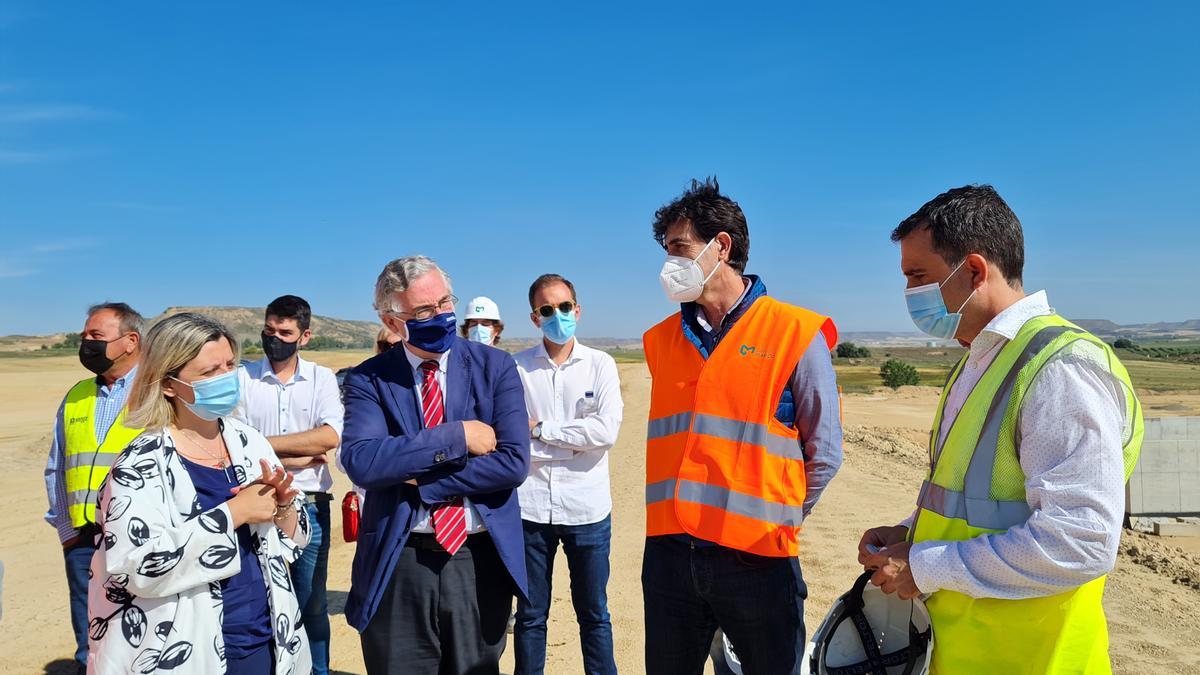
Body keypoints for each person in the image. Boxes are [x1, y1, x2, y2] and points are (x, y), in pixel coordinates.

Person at [857, 185, 1143, 674]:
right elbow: (977, 500)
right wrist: (909, 533)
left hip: (1032, 658)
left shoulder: (1059, 369)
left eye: (917, 276)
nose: (908, 294)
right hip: (966, 649)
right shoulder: (980, 361)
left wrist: (923, 565)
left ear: (973, 270)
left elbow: (1081, 542)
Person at [641, 178, 842, 675]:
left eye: (679, 248)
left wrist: (778, 517)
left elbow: (825, 451)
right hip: (670, 555)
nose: (670, 263)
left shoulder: (794, 332)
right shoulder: (660, 340)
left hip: (757, 557)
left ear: (721, 246)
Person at [87, 312, 311, 674]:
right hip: (185, 650)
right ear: (169, 384)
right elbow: (135, 567)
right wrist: (234, 513)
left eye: (229, 365)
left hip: (266, 639)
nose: (226, 378)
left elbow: (288, 541)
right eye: (209, 373)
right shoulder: (140, 463)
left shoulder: (248, 441)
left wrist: (283, 507)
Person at [340, 255, 531, 675]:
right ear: (393, 323)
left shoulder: (495, 367)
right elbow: (363, 462)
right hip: (400, 558)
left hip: (478, 559)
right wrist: (457, 436)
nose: (442, 316)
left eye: (446, 303)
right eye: (425, 311)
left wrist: (417, 478)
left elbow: (513, 463)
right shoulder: (368, 379)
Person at [512, 274, 623, 675]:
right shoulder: (517, 369)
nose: (556, 315)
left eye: (563, 307)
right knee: (530, 615)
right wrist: (573, 441)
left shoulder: (600, 365)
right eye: (546, 310)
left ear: (577, 310)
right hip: (530, 509)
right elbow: (512, 437)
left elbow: (605, 432)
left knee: (594, 613)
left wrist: (541, 430)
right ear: (534, 317)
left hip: (587, 509)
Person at [234, 295, 344, 675]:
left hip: (310, 504)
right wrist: (299, 451)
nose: (274, 338)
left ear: (305, 336)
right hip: (257, 502)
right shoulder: (242, 378)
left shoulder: (322, 379)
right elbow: (235, 442)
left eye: (285, 332)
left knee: (311, 603)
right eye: (269, 330)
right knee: (259, 600)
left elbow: (329, 438)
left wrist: (263, 444)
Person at [43, 302, 145, 674]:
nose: (85, 343)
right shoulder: (77, 394)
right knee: (91, 643)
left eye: (96, 336)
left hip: (140, 540)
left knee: (142, 635)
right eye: (85, 335)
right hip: (84, 542)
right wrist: (67, 534)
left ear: (130, 341)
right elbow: (58, 466)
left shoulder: (156, 391)